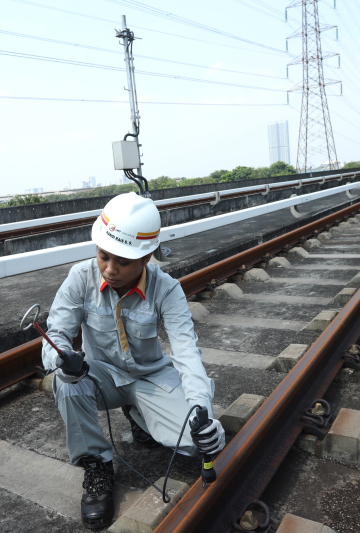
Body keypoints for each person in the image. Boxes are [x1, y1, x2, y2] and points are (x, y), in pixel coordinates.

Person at [41, 192, 225, 529]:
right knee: (66, 383)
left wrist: (203, 410)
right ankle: (96, 467)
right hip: (101, 376)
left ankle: (140, 416)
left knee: (193, 443)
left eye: (122, 262)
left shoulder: (166, 289)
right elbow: (55, 335)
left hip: (152, 377)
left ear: (147, 257)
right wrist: (62, 358)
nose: (110, 269)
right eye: (103, 256)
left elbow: (186, 353)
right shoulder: (80, 278)